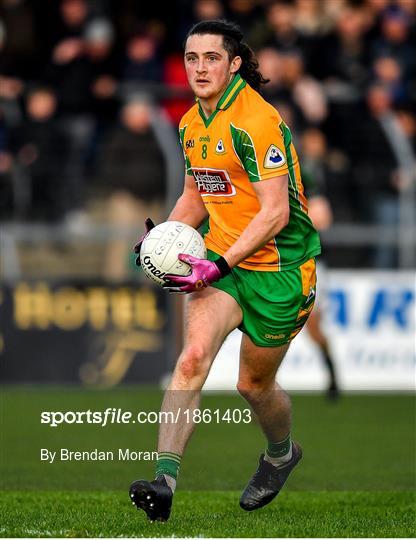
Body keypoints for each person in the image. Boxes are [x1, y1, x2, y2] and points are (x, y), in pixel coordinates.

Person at [129, 19, 321, 522]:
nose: (199, 68)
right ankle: (164, 481)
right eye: (192, 58)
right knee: (192, 358)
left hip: (280, 270)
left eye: (211, 58)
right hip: (223, 263)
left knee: (253, 387)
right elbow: (196, 196)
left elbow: (275, 213)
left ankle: (280, 457)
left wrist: (217, 264)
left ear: (235, 64)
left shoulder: (256, 121)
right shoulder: (191, 123)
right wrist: (159, 241)